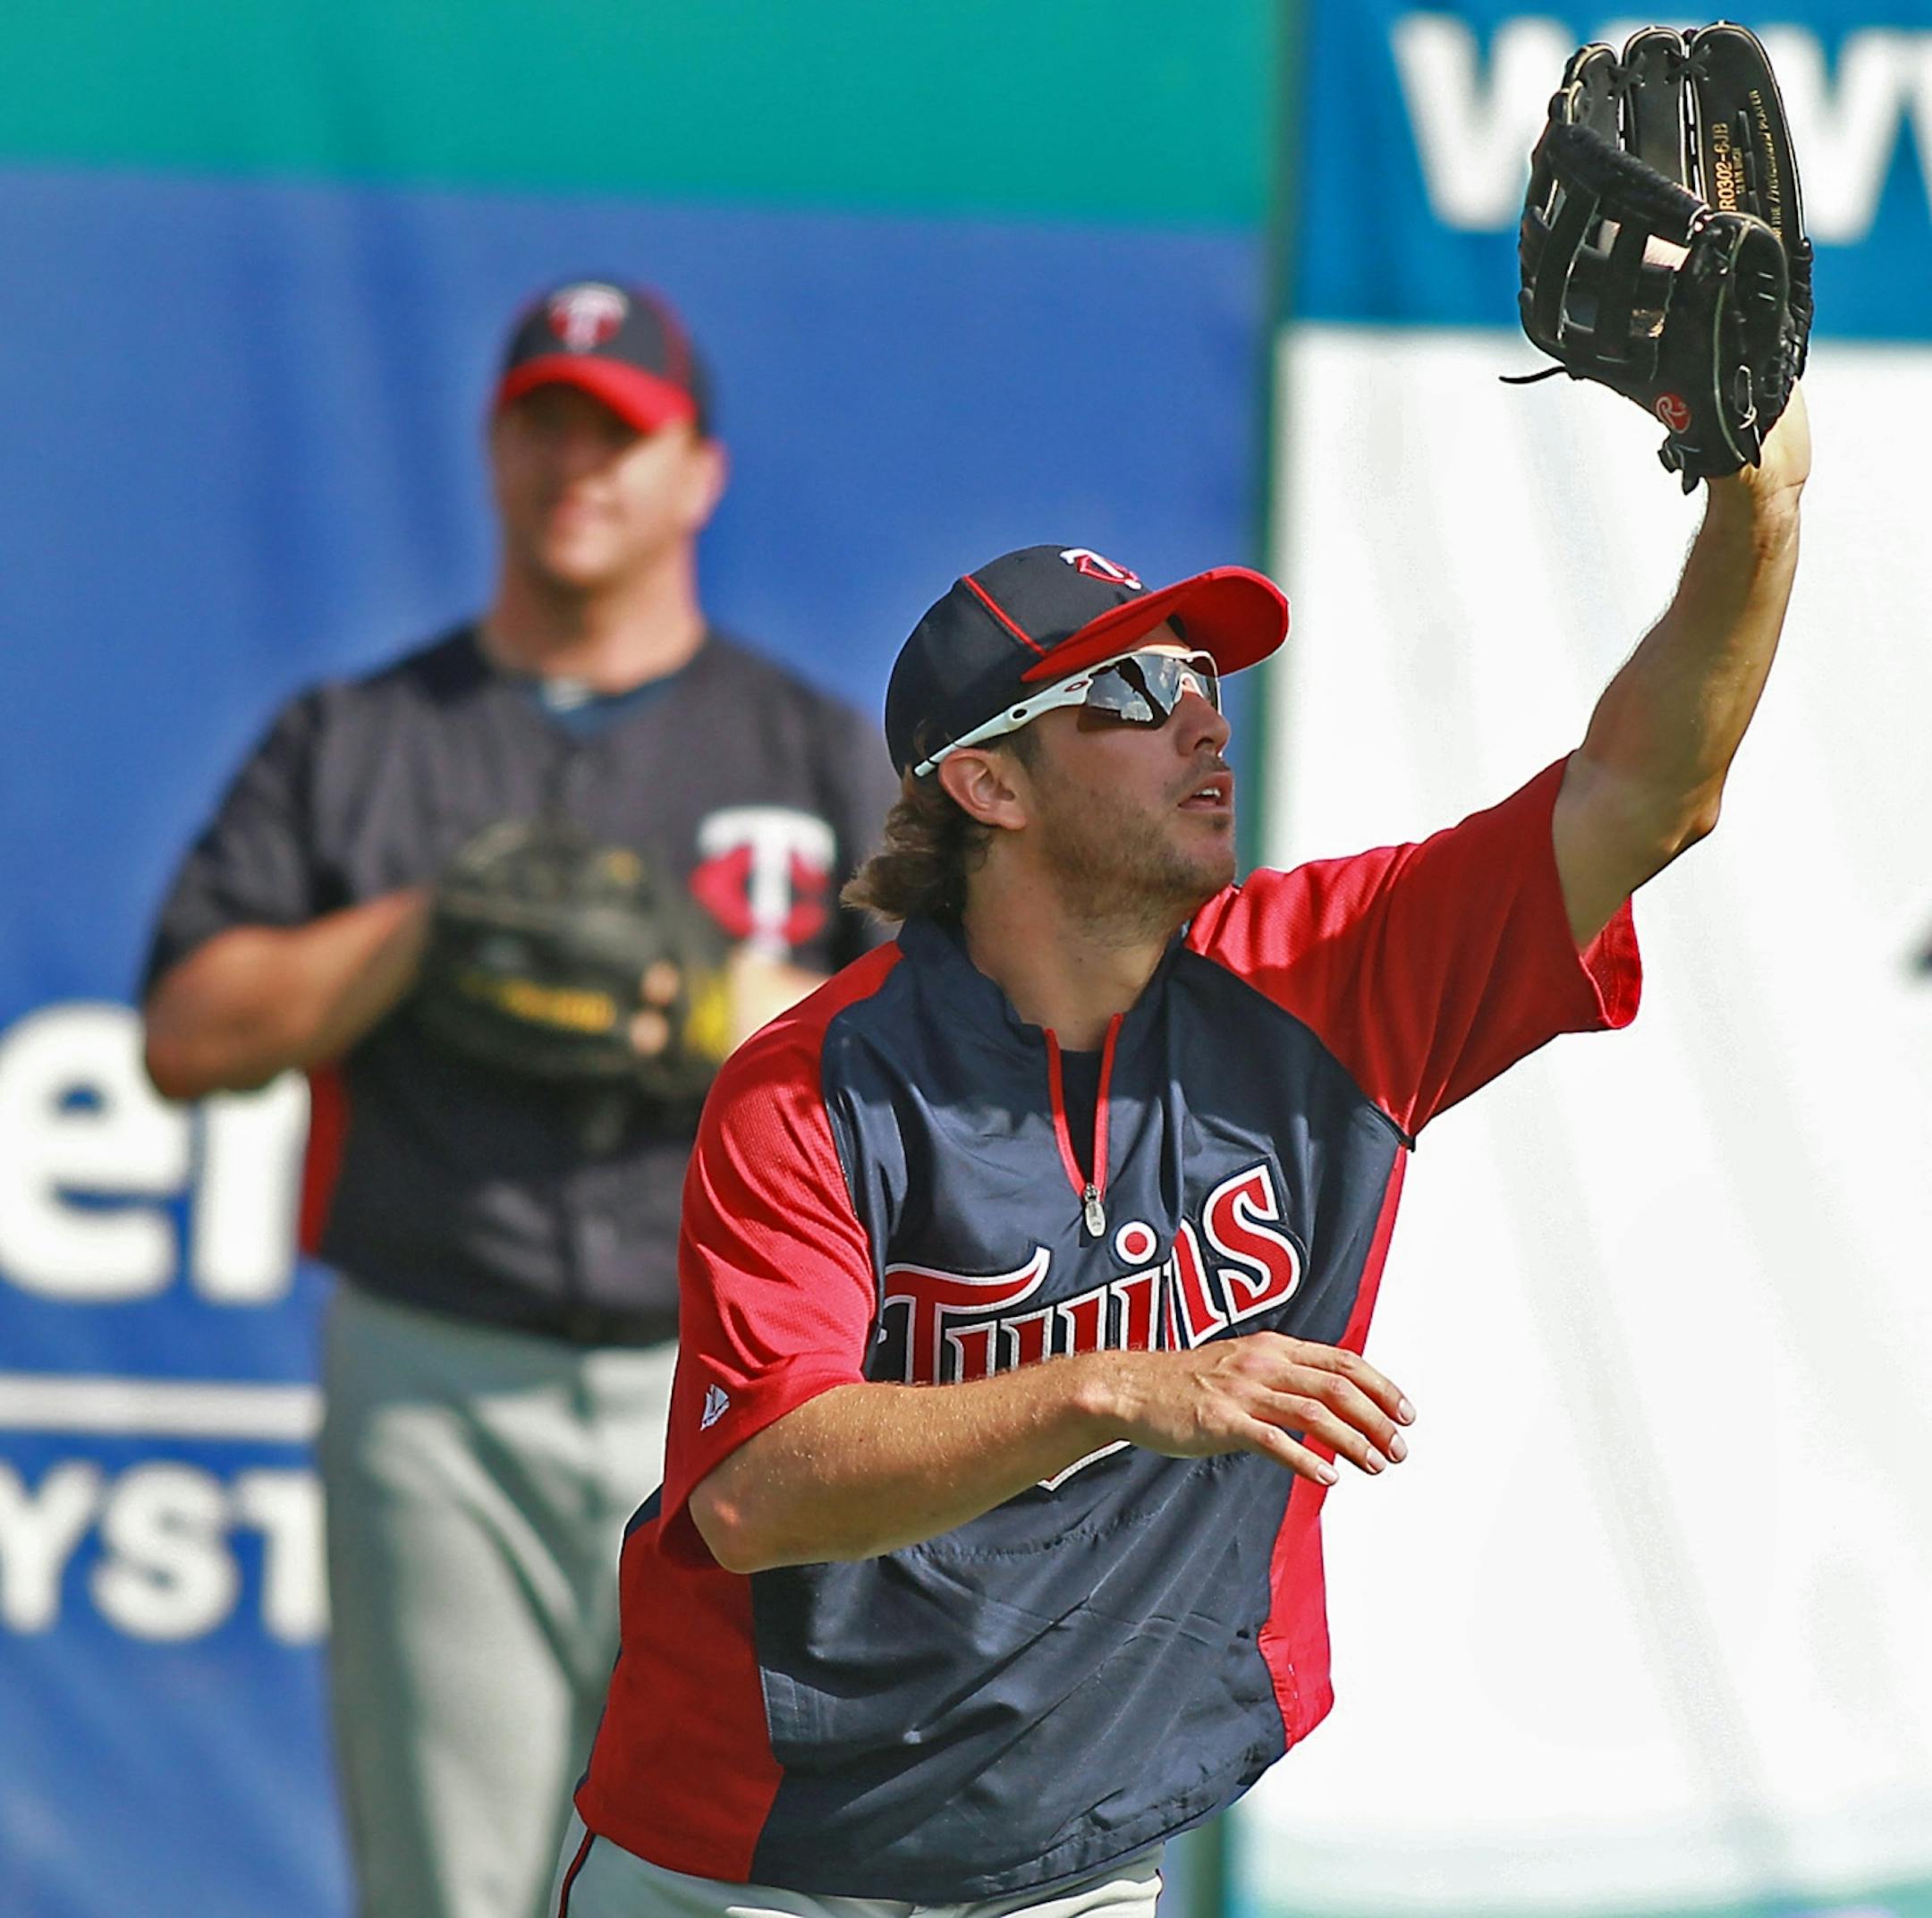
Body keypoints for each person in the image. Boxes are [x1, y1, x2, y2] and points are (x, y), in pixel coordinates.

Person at [549, 377, 1810, 1915]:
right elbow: (758, 1493)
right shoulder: (816, 1090)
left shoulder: (1327, 978)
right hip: (754, 1858)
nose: (1202, 713)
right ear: (988, 783)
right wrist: (1117, 1389)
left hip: (1072, 1861)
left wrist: (1762, 512)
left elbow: (1646, 792)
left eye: (1203, 675)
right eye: (1134, 695)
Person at [139, 279, 897, 1918]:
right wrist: (419, 936)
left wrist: (698, 1005)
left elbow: (934, 1048)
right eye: (548, 425)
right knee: (455, 1890)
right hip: (439, 1379)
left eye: (621, 434)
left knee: (722, 1874)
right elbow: (188, 1033)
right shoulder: (361, 740)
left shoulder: (808, 747)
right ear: (494, 452)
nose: (581, 466)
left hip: (725, 1390)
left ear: (698, 474)